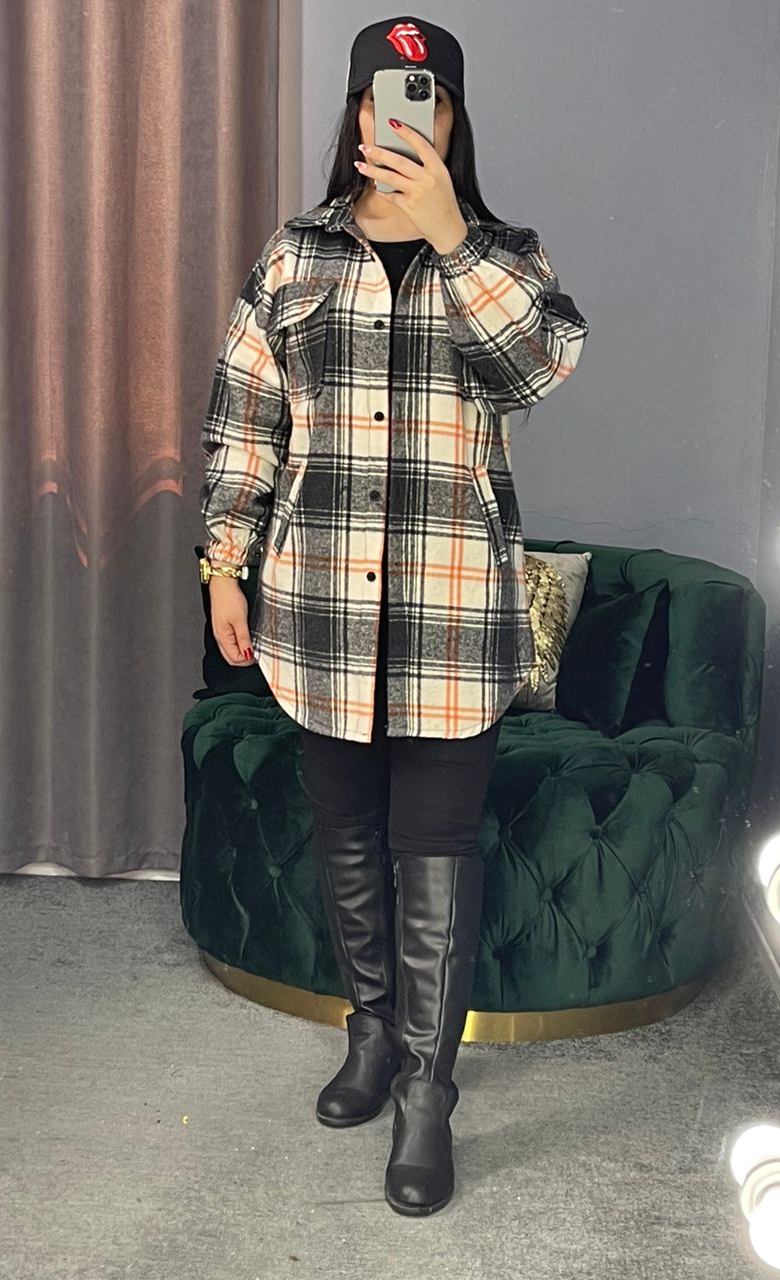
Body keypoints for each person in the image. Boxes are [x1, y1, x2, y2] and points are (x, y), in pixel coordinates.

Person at [199, 16, 588, 1216]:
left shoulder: (506, 256)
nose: (402, 115)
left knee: (437, 847)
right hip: (317, 604)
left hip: (454, 612)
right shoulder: (294, 256)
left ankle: (428, 1089)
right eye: (381, 94)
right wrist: (224, 564)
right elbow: (245, 420)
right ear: (356, 114)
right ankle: (371, 1031)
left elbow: (537, 369)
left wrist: (451, 238)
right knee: (346, 833)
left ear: (453, 119)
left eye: (428, 97)